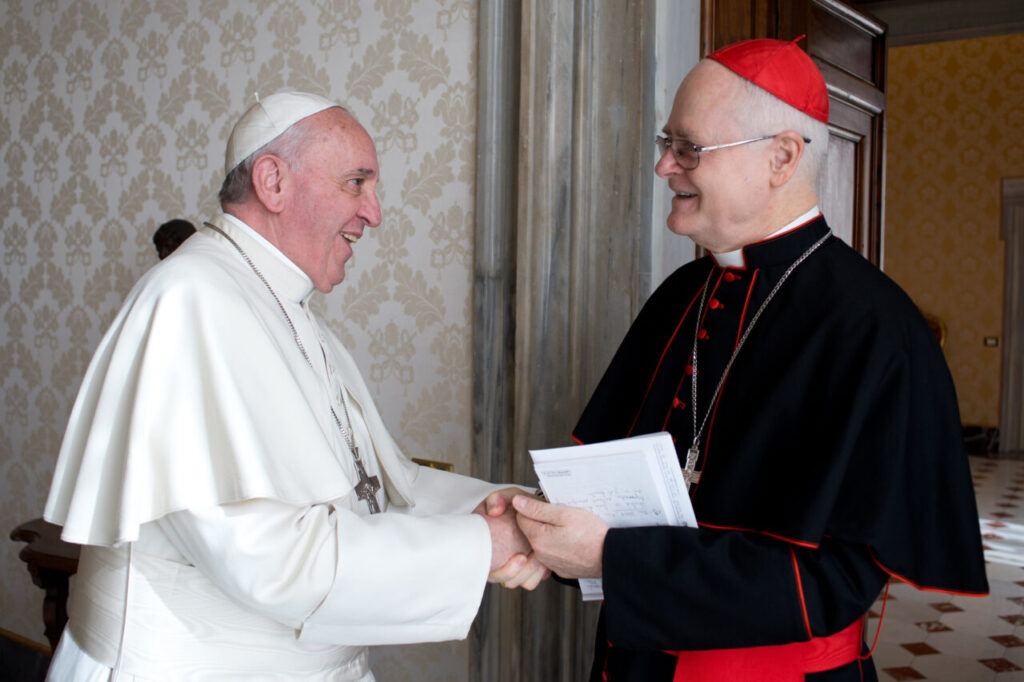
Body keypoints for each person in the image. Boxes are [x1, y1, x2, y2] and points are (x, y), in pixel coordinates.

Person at [512, 38, 989, 681]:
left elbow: (835, 582)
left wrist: (612, 557)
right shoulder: (682, 295)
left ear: (782, 157)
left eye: (689, 148)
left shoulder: (875, 329)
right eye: (666, 142)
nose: (664, 167)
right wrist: (541, 529)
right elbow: (613, 509)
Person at [44, 92, 546, 681]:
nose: (375, 212)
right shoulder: (192, 300)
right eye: (356, 183)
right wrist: (482, 546)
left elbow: (384, 485)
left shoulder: (286, 308)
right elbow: (269, 560)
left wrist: (515, 511)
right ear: (272, 181)